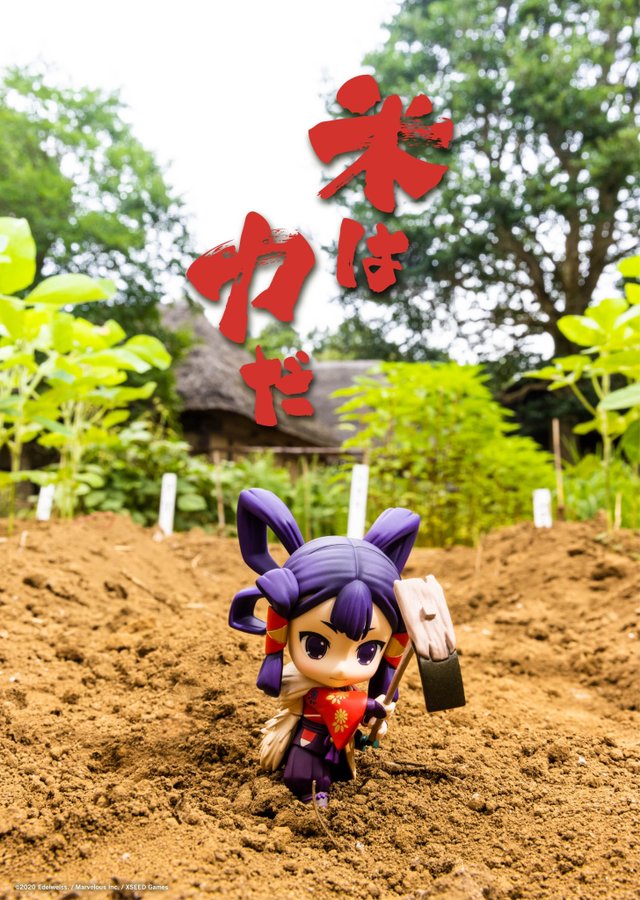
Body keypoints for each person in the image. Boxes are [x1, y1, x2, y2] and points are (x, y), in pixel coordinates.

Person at [229, 488, 419, 805]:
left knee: (338, 766)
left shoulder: (349, 689)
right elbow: (327, 701)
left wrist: (374, 719)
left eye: (367, 652)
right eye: (317, 646)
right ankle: (310, 795)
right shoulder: (309, 690)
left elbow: (350, 708)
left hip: (336, 738)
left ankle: (326, 786)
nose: (342, 667)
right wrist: (369, 706)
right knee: (308, 770)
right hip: (309, 738)